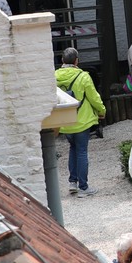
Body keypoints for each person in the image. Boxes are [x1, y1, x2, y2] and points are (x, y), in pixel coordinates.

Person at [54, 47, 104, 199]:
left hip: (65, 121)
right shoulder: (83, 76)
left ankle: (72, 183)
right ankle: (83, 187)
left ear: (62, 60)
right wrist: (102, 110)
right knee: (81, 151)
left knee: (73, 149)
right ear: (77, 61)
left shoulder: (54, 76)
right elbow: (94, 97)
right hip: (82, 120)